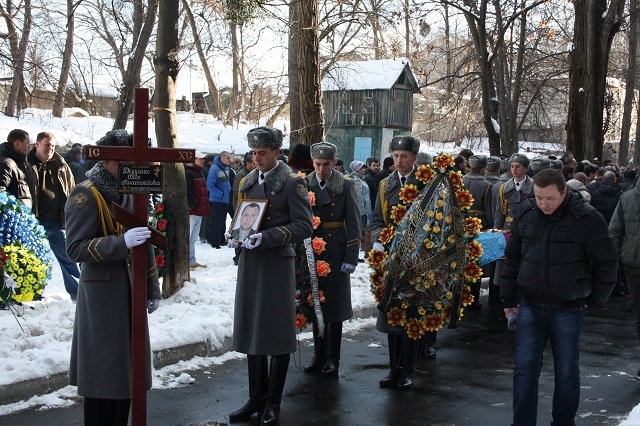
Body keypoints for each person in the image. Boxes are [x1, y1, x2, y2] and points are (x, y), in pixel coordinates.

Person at [500, 168, 617, 426]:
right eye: (540, 198)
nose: (544, 204)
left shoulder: (587, 218)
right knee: (525, 371)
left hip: (567, 309)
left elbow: (607, 261)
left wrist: (594, 298)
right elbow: (513, 259)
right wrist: (508, 300)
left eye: (550, 198)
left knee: (566, 372)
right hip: (530, 306)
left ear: (564, 192)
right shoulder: (527, 213)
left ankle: (563, 423)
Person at [65, 129, 161, 425]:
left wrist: (152, 288)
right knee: (101, 373)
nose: (128, 168)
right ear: (108, 160)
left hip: (130, 290)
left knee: (126, 372)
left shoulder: (131, 191)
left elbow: (143, 240)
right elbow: (75, 248)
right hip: (103, 295)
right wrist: (120, 244)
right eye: (123, 161)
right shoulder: (86, 193)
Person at [226, 126, 313, 425]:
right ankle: (256, 398)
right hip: (251, 262)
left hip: (276, 262)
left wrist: (269, 237)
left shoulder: (291, 184)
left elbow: (304, 226)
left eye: (262, 153)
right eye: (253, 153)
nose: (257, 158)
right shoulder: (248, 181)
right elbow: (243, 216)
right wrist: (235, 234)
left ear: (277, 152)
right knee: (253, 329)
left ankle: (273, 402)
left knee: (275, 332)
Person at [370, 135, 426, 389]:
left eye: (404, 156)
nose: (399, 160)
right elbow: (378, 219)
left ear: (414, 158)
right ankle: (394, 369)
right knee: (392, 314)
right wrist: (377, 240)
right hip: (392, 259)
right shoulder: (385, 184)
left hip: (417, 259)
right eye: (396, 156)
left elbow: (435, 221)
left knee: (411, 315)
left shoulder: (426, 183)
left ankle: (408, 369)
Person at [303, 143, 361, 378]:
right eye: (317, 164)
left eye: (327, 164)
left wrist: (351, 256)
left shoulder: (346, 185)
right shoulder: (305, 183)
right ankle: (318, 354)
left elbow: (355, 222)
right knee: (315, 303)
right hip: (311, 249)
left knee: (334, 306)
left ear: (334, 162)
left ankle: (333, 358)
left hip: (336, 252)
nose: (322, 169)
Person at [26, 131, 80, 301]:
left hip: (57, 222)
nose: (50, 149)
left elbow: (71, 190)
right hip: (34, 221)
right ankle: (33, 294)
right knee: (35, 260)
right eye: (47, 145)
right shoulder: (26, 164)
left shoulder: (61, 165)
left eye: (53, 146)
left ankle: (77, 293)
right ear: (37, 144)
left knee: (68, 258)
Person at [609, 181, 640, 369]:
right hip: (633, 266)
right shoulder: (627, 199)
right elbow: (614, 232)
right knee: (639, 316)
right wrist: (613, 263)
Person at [462, 155, 492, 309]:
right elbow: (488, 208)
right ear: (482, 168)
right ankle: (472, 298)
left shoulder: (460, 180)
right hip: (478, 226)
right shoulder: (486, 185)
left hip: (459, 225)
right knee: (475, 263)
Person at [186, 151, 209, 270]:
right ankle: (186, 262)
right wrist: (194, 205)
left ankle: (191, 260)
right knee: (188, 237)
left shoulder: (198, 172)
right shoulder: (188, 173)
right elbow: (188, 192)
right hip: (192, 211)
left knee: (193, 237)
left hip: (197, 210)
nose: (203, 161)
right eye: (200, 158)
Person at [0, 129, 32, 208]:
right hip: (14, 217)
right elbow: (1, 193)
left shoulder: (21, 162)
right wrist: (12, 211)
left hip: (25, 215)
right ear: (17, 143)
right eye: (27, 143)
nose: (30, 146)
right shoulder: (5, 163)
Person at [207, 151, 232, 249]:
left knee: (223, 220)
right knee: (217, 220)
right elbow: (210, 185)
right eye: (228, 158)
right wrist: (220, 194)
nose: (230, 160)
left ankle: (221, 239)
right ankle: (214, 241)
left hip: (224, 199)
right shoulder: (214, 168)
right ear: (221, 159)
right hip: (217, 199)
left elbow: (226, 182)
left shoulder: (226, 168)